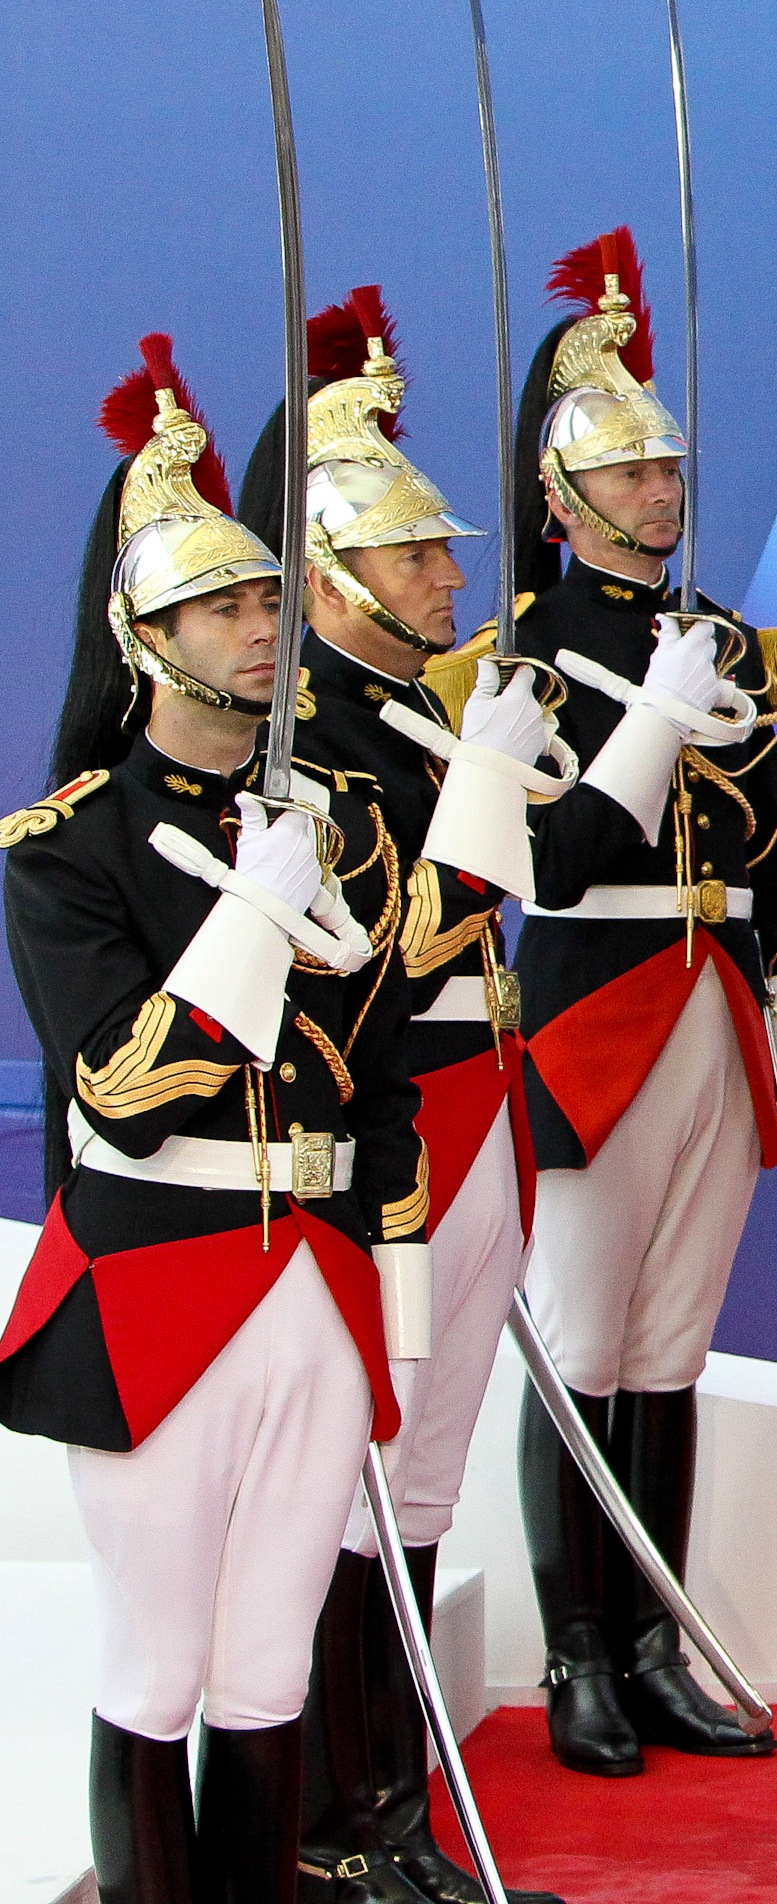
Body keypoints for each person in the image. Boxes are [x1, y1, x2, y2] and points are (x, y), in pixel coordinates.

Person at [1, 338, 429, 1904]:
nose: (263, 631)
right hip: (155, 1278)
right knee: (160, 1653)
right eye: (229, 608)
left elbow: (377, 1064)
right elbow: (118, 1075)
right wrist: (251, 914)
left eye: (268, 602)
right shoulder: (64, 848)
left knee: (268, 1661)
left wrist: (402, 1278)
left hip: (310, 1267)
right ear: (147, 634)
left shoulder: (337, 816)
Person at [235, 293, 569, 1904]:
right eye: (417, 556)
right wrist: (490, 781)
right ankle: (342, 1815)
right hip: (394, 1103)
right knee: (371, 1472)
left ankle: (386, 1802)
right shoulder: (309, 739)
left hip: (478, 1090)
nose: (451, 575)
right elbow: (388, 943)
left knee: (423, 1471)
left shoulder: (409, 712)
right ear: (327, 578)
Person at [507, 228, 777, 1777]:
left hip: (712, 997)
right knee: (581, 1336)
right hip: (596, 1002)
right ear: (565, 499)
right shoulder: (527, 657)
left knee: (671, 1343)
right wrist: (648, 721)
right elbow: (558, 863)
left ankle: (653, 1634)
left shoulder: (719, 637)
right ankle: (577, 1646)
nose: (660, 491)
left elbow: (774, 842)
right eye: (629, 475)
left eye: (669, 468)